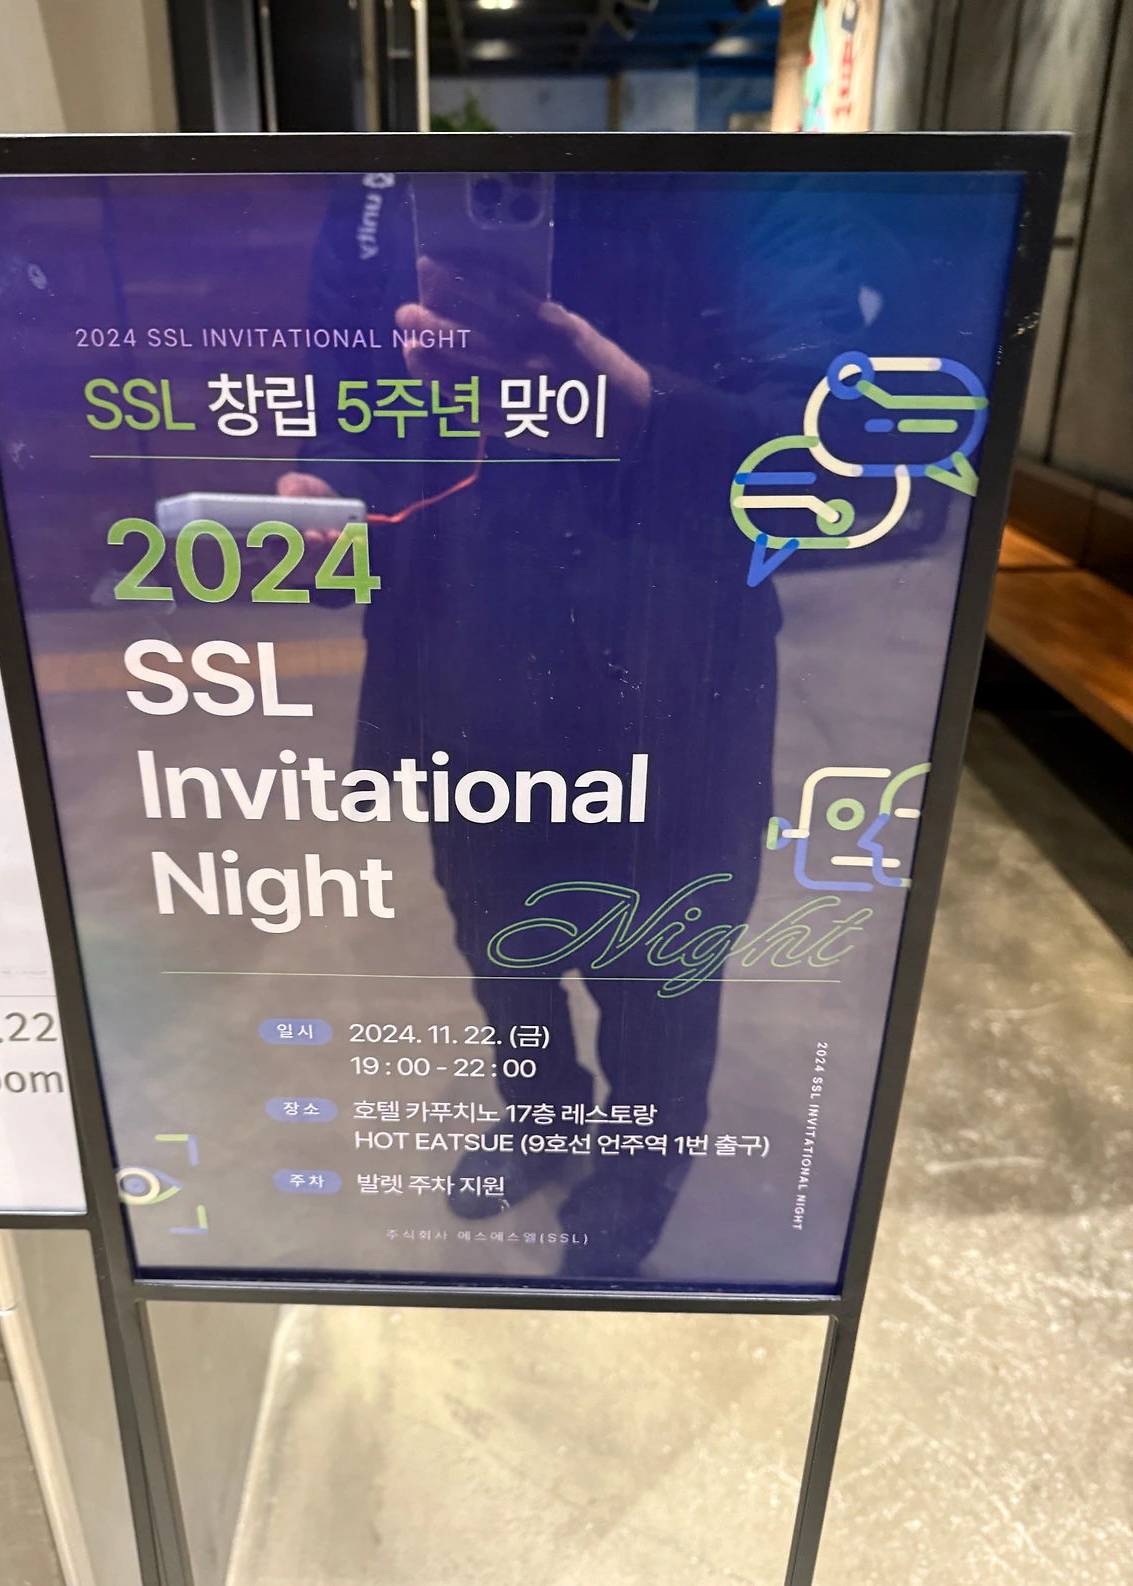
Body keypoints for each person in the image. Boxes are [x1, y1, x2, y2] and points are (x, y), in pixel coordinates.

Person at [283, 171, 780, 1278]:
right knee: (496, 931)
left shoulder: (715, 196)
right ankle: (542, 1111)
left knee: (658, 957)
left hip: (665, 648)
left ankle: (641, 1161)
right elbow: (348, 398)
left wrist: (638, 404)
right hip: (461, 636)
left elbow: (822, 430)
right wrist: (327, 495)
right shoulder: (375, 200)